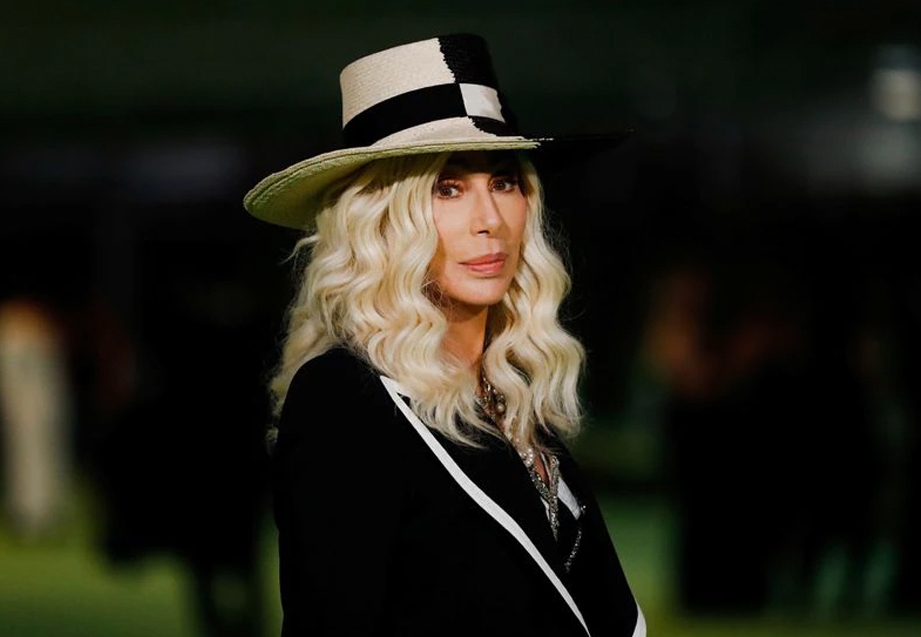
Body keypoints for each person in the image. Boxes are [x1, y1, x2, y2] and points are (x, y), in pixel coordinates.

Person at [243, 34, 645, 637]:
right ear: (380, 218)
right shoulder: (344, 397)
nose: (490, 220)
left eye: (504, 182)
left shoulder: (509, 393)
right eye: (447, 188)